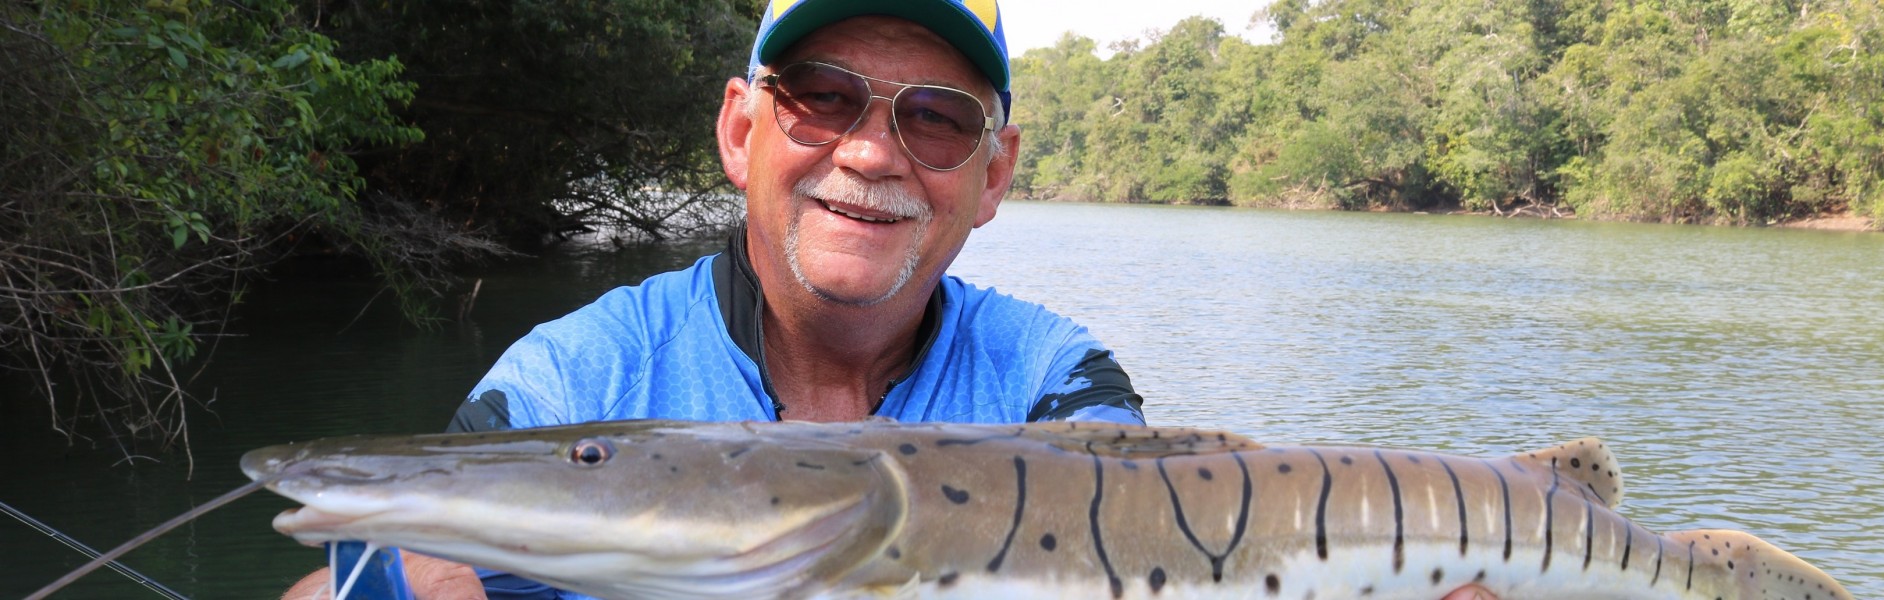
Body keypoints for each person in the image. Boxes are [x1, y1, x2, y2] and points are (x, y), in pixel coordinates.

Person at [283, 2, 1495, 599]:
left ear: (992, 176)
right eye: (822, 95)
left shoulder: (1051, 378)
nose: (872, 153)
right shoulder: (570, 376)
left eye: (935, 118)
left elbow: (1144, 507)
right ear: (741, 129)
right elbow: (371, 563)